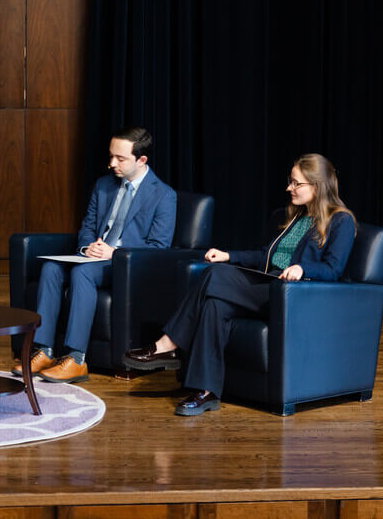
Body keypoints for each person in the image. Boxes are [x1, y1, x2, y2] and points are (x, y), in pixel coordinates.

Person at [123, 153, 356, 416]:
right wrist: (228, 255)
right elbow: (264, 256)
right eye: (290, 182)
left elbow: (334, 269)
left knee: (215, 276)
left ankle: (168, 344)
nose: (288, 188)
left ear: (317, 185)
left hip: (293, 297)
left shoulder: (341, 221)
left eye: (296, 183)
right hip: (266, 287)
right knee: (214, 304)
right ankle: (206, 392)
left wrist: (303, 268)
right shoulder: (295, 218)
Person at [14, 127, 177, 383]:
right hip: (94, 257)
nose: (112, 163)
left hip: (125, 266)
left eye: (120, 159)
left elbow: (158, 248)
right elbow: (88, 228)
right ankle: (43, 351)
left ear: (141, 160)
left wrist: (115, 253)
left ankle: (76, 360)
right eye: (111, 156)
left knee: (82, 273)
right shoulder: (103, 186)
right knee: (51, 269)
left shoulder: (164, 195)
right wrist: (86, 247)